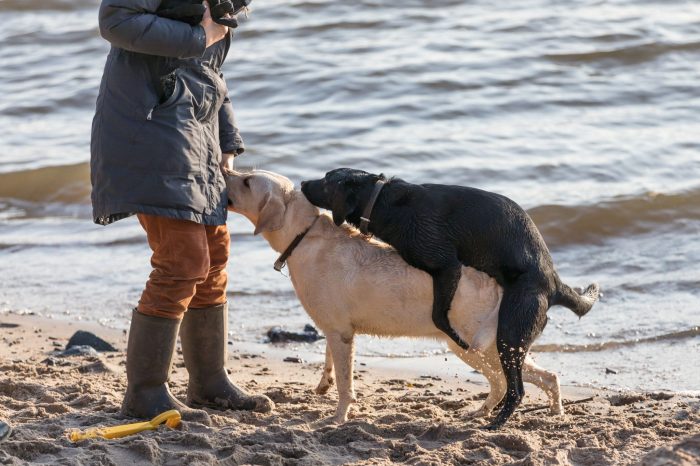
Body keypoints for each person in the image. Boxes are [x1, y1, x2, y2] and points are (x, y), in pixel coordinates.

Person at [91, 0, 272, 419]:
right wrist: (198, 36)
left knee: (214, 259)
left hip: (197, 137)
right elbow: (115, 19)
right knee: (182, 262)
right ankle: (145, 392)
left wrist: (228, 140)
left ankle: (209, 383)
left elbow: (211, 75)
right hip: (150, 130)